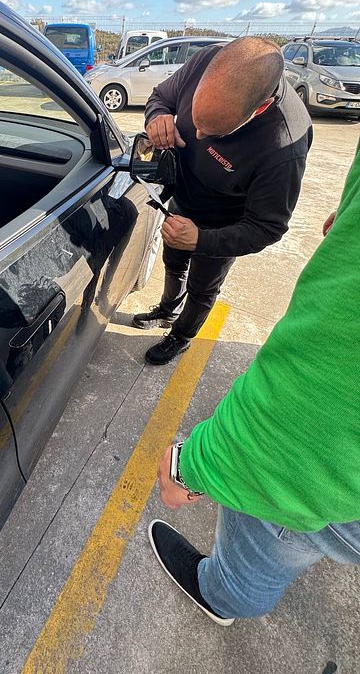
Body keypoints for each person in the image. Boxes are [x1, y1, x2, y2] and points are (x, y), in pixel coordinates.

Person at [149, 142, 360, 624]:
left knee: (273, 530)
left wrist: (199, 463)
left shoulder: (282, 142)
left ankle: (221, 598)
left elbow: (331, 380)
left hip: (329, 468)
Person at [133, 37, 312, 365]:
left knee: (203, 287)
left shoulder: (283, 146)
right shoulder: (207, 63)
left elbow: (267, 227)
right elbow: (161, 96)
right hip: (183, 200)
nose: (196, 137)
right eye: (195, 120)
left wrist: (201, 239)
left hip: (224, 225)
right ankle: (167, 309)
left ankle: (182, 336)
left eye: (214, 132)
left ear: (258, 110)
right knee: (173, 260)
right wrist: (158, 116)